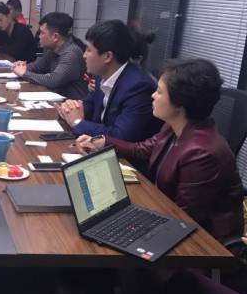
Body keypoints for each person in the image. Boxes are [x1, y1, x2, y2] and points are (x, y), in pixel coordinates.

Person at [77, 59, 243, 240]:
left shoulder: (202, 153)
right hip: (166, 215)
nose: (153, 96)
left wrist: (136, 219)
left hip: (202, 246)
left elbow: (184, 218)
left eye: (159, 92)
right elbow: (142, 149)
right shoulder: (174, 127)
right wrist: (103, 141)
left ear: (180, 104)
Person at [56, 19, 162, 141]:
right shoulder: (101, 75)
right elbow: (87, 108)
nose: (84, 55)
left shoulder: (138, 86)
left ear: (107, 56)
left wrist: (77, 122)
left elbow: (121, 136)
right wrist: (69, 109)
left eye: (89, 50)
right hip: (95, 147)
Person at [12, 12, 88, 100]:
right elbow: (37, 67)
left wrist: (24, 73)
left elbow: (53, 80)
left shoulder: (72, 53)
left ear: (55, 37)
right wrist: (21, 67)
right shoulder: (51, 49)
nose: (39, 36)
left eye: (42, 33)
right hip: (57, 99)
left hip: (73, 103)